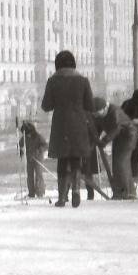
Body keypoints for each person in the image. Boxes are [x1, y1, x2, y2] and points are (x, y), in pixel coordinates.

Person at [41, 50, 94, 208]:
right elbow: (90, 105)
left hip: (60, 125)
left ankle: (62, 197)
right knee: (76, 159)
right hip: (78, 125)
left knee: (62, 161)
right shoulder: (83, 81)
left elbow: (46, 106)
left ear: (57, 65)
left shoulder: (52, 81)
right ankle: (76, 190)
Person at [90, 97, 138, 200]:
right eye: (95, 114)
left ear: (104, 108)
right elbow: (97, 128)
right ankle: (129, 192)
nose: (96, 115)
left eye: (98, 113)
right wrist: (94, 140)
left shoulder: (114, 111)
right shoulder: (98, 114)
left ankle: (125, 193)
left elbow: (116, 128)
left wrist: (104, 140)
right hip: (117, 138)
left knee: (121, 163)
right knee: (117, 164)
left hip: (128, 136)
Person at [19, 120, 48, 198]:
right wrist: (21, 151)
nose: (27, 135)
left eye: (28, 134)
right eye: (25, 134)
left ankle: (40, 192)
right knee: (30, 175)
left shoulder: (38, 136)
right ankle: (31, 192)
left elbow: (45, 145)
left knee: (39, 175)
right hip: (29, 158)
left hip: (38, 158)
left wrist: (39, 150)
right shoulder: (24, 137)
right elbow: (20, 145)